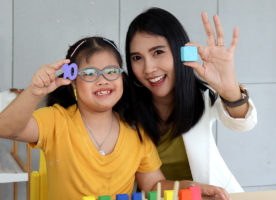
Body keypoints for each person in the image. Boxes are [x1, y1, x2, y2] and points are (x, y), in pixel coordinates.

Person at [0, 36, 166, 199]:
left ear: (122, 77)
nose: (103, 80)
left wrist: (187, 185)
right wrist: (34, 91)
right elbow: (4, 128)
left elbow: (153, 185)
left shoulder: (137, 132)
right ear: (72, 81)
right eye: (90, 73)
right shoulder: (56, 120)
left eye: (111, 71)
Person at [125, 7, 257, 194]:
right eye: (137, 57)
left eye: (158, 52)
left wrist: (230, 90)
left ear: (179, 50)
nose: (148, 68)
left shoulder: (201, 95)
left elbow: (244, 123)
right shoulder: (125, 108)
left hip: (214, 196)